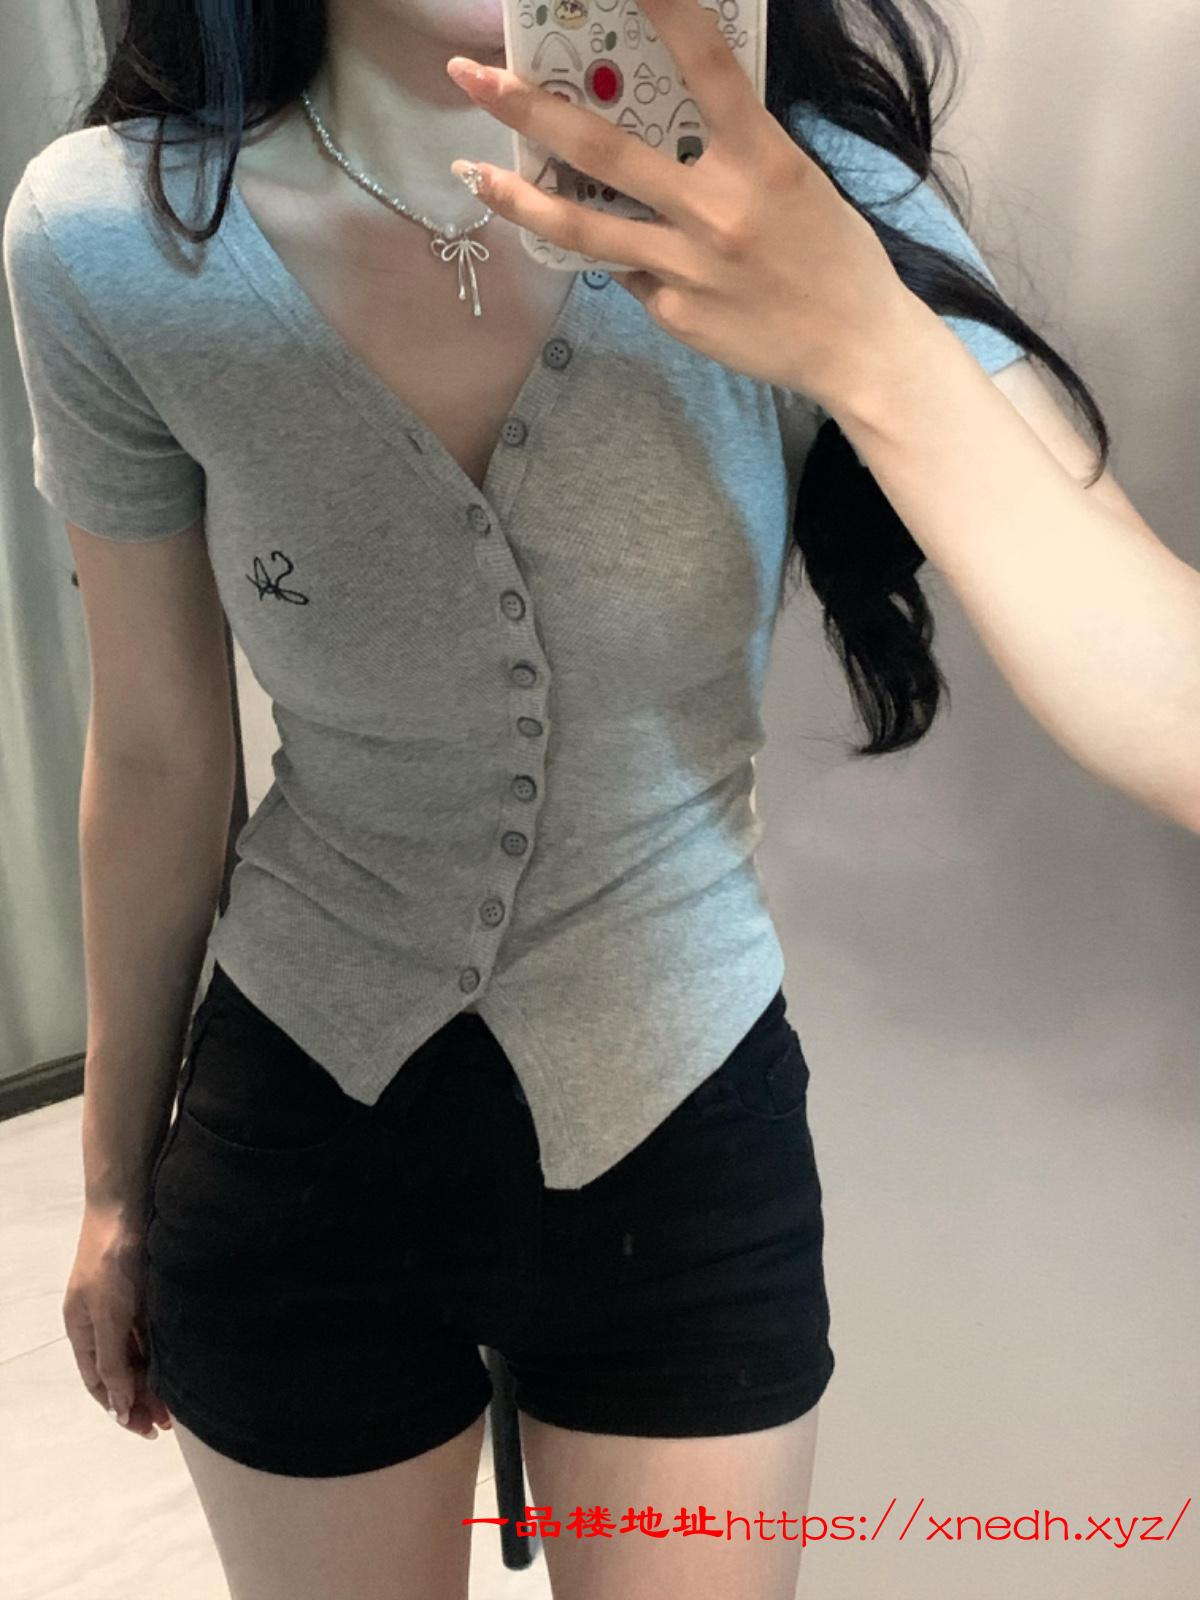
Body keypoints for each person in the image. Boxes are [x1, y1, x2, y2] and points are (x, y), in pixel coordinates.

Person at [6, 2, 1196, 1597]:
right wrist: (108, 1186)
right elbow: (159, 752)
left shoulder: (810, 194)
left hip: (685, 1122)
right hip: (297, 1123)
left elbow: (1160, 682)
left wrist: (861, 328)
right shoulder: (116, 237)